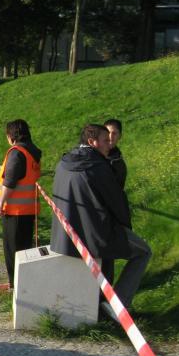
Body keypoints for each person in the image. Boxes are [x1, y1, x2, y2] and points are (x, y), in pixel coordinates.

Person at [50, 124, 151, 319]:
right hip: (97, 233)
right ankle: (118, 306)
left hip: (65, 234)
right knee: (144, 252)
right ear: (92, 142)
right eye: (105, 140)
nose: (109, 144)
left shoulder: (64, 162)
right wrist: (124, 226)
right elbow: (116, 201)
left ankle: (101, 310)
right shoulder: (98, 166)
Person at [0, 119, 42, 291]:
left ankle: (15, 287)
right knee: (23, 250)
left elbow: (10, 181)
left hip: (14, 211)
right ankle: (19, 284)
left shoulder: (17, 153)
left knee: (12, 250)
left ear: (11, 136)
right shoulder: (32, 152)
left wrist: (1, 202)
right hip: (27, 209)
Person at [102, 118, 127, 284]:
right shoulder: (94, 156)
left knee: (106, 263)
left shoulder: (118, 164)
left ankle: (107, 296)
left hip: (107, 220)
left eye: (115, 133)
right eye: (108, 132)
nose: (110, 137)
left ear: (120, 136)